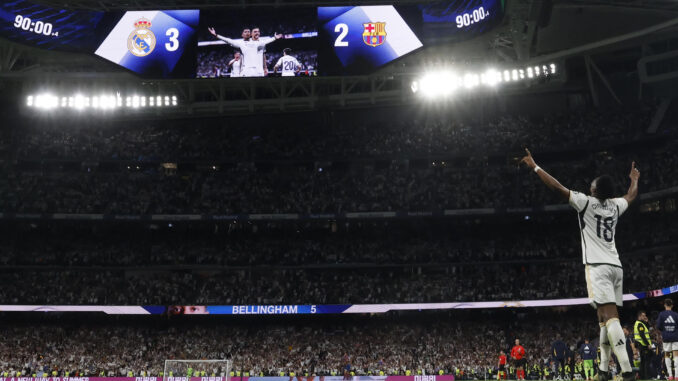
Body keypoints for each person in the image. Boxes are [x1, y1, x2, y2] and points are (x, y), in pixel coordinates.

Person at [520, 149, 639, 381]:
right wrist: (634, 180)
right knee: (603, 319)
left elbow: (557, 188)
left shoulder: (586, 203)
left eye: (591, 185)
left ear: (595, 190)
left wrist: (535, 167)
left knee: (611, 317)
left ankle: (626, 370)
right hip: (616, 266)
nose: (589, 187)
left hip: (597, 266)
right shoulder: (615, 205)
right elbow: (631, 196)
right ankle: (603, 370)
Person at [207, 27, 282, 77]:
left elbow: (266, 42)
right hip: (247, 72)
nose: (247, 33)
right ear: (242, 34)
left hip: (258, 72)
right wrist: (216, 35)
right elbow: (228, 40)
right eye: (245, 32)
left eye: (249, 32)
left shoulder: (257, 43)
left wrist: (274, 38)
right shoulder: (240, 43)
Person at [657, 298, 678, 381]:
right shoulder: (676, 315)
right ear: (672, 305)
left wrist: (665, 330)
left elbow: (658, 326)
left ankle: (670, 376)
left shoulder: (662, 314)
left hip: (666, 337)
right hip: (675, 337)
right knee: (676, 355)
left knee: (667, 355)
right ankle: (676, 376)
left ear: (665, 305)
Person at [634, 310, 654, 379]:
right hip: (643, 345)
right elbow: (642, 335)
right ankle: (647, 376)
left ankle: (643, 376)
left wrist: (647, 322)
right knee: (646, 361)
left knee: (643, 361)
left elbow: (648, 331)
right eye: (643, 316)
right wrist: (648, 344)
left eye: (645, 315)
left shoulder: (641, 323)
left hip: (642, 345)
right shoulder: (639, 324)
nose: (645, 317)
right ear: (639, 316)